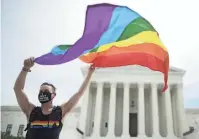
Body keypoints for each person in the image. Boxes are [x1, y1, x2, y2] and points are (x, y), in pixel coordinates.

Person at [14, 57, 95, 139]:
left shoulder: (60, 111)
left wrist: (89, 74)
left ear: (53, 95)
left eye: (46, 90)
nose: (42, 93)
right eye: (40, 91)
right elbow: (18, 89)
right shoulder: (31, 110)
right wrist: (25, 68)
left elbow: (79, 93)